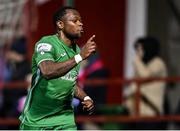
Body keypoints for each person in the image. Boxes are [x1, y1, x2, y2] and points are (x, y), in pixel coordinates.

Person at [19, 6, 96, 130]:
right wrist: (80, 56)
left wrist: (85, 97)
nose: (80, 24)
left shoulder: (75, 50)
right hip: (37, 120)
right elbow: (47, 71)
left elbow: (68, 82)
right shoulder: (46, 43)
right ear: (60, 24)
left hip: (64, 120)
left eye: (80, 21)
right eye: (75, 21)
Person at [124, 37, 168, 129]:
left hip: (150, 114)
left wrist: (137, 60)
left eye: (140, 49)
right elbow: (134, 85)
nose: (137, 52)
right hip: (136, 113)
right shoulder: (142, 65)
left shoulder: (158, 63)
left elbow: (145, 76)